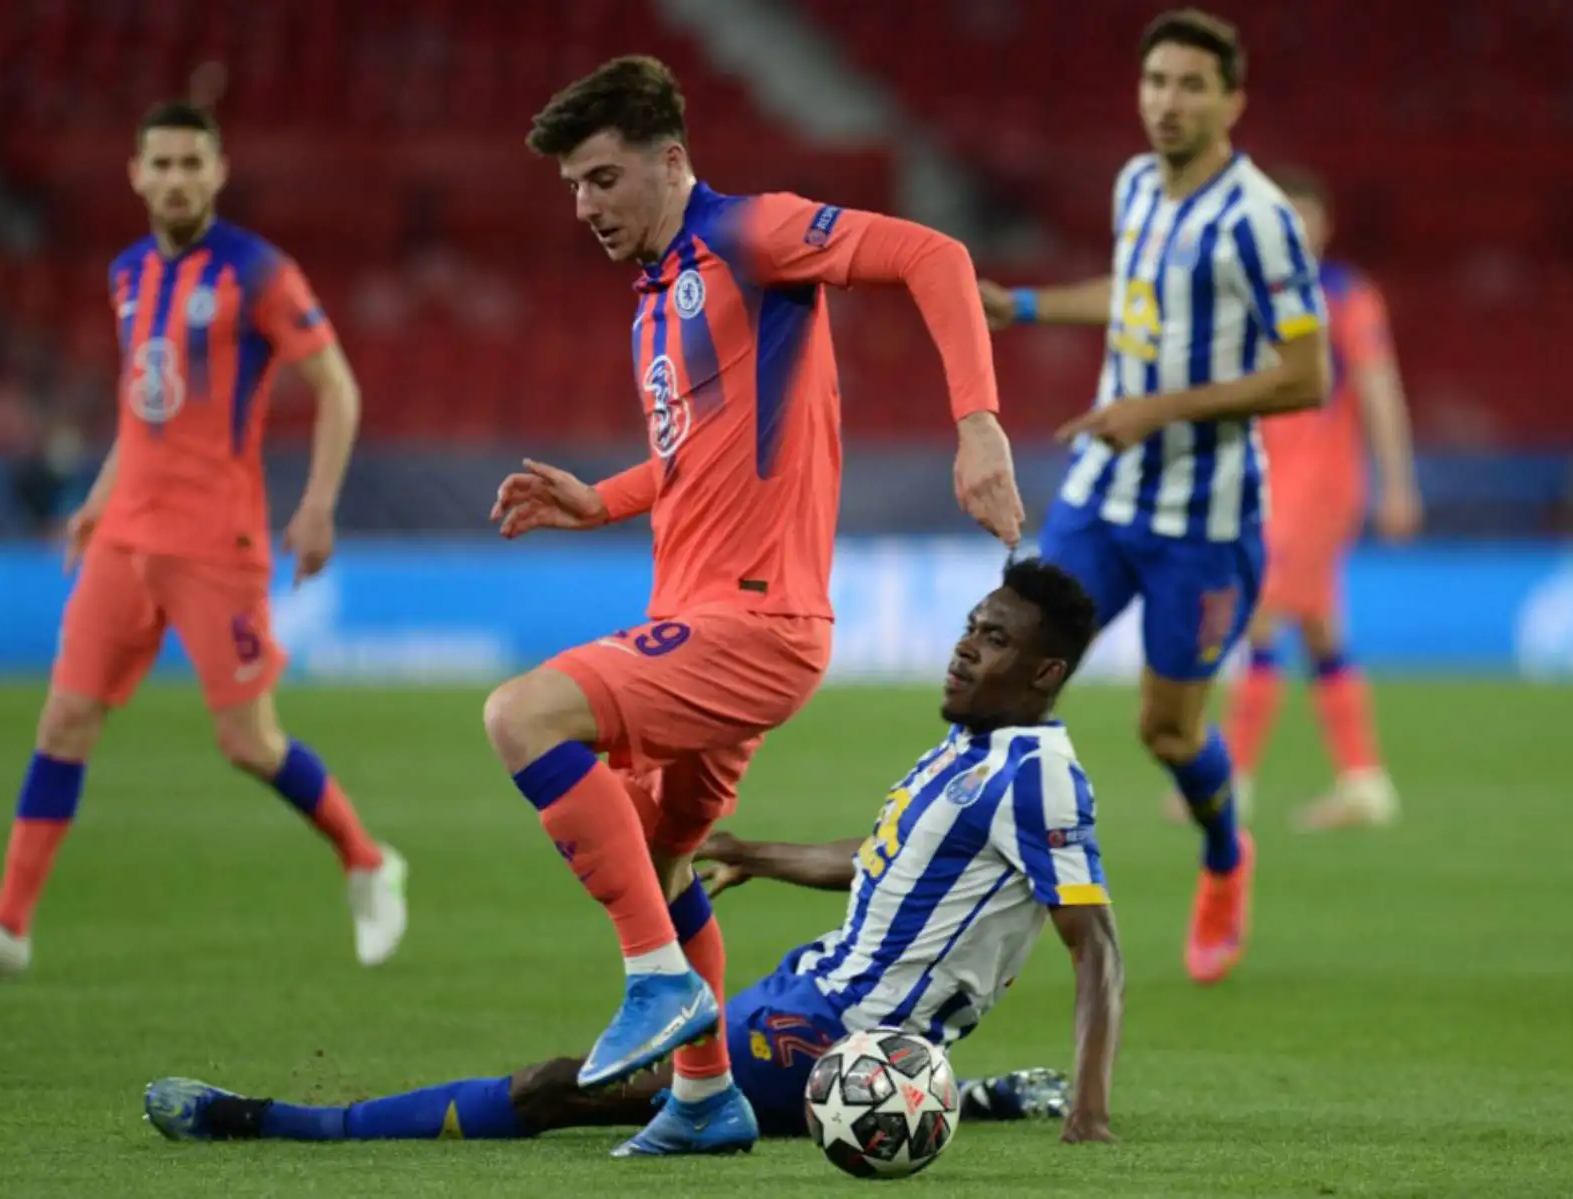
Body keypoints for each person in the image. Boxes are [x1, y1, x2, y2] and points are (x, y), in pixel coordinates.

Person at [478, 56, 1024, 1155]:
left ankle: (654, 985)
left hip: (750, 625)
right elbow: (695, 460)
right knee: (662, 849)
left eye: (601, 178)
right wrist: (604, 498)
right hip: (712, 621)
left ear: (671, 162)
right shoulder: (656, 300)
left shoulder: (751, 235)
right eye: (573, 187)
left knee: (522, 715)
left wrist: (978, 422)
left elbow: (934, 253)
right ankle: (704, 1097)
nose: (585, 206)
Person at [142, 559, 1123, 1148]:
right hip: (811, 995)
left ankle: (277, 1121)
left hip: (825, 1031)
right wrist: (752, 848)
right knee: (646, 1048)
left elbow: (1099, 946)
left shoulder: (1038, 775)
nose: (963, 648)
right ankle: (968, 1093)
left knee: (556, 1089)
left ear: (1042, 671)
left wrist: (1092, 1110)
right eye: (968, 626)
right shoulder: (972, 748)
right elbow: (889, 867)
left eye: (992, 640)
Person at [0, 101, 407, 976]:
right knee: (64, 719)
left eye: (192, 163)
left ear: (218, 172)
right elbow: (148, 408)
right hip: (126, 537)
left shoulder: (259, 271)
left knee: (249, 743)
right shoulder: (129, 273)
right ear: (135, 174)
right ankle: (9, 924)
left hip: (218, 542)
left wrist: (320, 502)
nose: (177, 178)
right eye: (162, 164)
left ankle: (368, 861)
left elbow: (338, 386)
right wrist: (100, 497)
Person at [977, 9, 1330, 985]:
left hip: (1202, 527)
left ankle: (1225, 856)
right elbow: (1139, 291)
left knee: (1165, 729)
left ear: (1231, 101)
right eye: (1156, 82)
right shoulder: (1137, 183)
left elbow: (1308, 376)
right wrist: (1031, 303)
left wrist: (1159, 407)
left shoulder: (1259, 220)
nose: (1167, 102)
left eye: (1190, 85)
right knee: (1006, 680)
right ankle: (974, 906)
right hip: (1102, 496)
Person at [1203, 168, 1420, 831]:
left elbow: (1380, 392)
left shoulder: (1347, 299)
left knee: (1259, 615)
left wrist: (1399, 481)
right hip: (1266, 484)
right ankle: (1364, 780)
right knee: (1322, 631)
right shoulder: (1244, 300)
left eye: (1306, 219)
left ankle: (1230, 781)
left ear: (1324, 227)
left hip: (1321, 488)